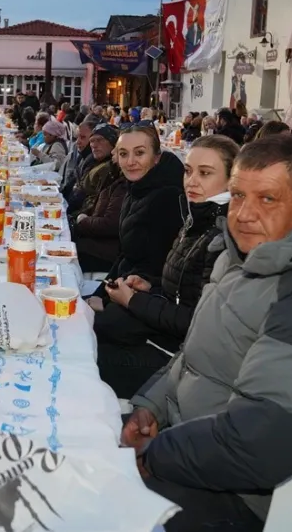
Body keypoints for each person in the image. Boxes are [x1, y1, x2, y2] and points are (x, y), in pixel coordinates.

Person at [122, 136, 292, 531]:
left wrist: (155, 453)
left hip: (258, 503)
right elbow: (195, 355)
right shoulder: (246, 257)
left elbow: (263, 442)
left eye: (268, 199)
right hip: (197, 452)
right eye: (237, 196)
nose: (244, 214)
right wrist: (151, 407)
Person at [96, 135, 238, 398]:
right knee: (89, 335)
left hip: (183, 364)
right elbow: (188, 290)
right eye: (188, 171)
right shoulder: (197, 218)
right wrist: (151, 286)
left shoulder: (226, 236)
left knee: (84, 360)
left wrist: (134, 302)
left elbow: (198, 321)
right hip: (165, 341)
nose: (192, 180)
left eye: (205, 173)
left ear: (232, 181)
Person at [85, 126, 185, 311]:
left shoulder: (167, 198)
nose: (130, 161)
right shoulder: (134, 190)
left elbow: (157, 270)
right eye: (123, 154)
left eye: (139, 153)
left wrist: (106, 302)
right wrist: (99, 295)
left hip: (145, 304)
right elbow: (124, 257)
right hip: (124, 292)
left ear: (156, 157)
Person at [71, 133, 127, 274]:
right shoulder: (113, 175)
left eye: (121, 151)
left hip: (105, 254)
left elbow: (109, 224)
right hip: (96, 241)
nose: (114, 153)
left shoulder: (122, 183)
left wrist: (81, 221)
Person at [60, 114, 101, 199]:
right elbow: (72, 182)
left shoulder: (93, 161)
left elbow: (81, 195)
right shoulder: (82, 156)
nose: (77, 142)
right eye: (77, 137)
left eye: (82, 137)